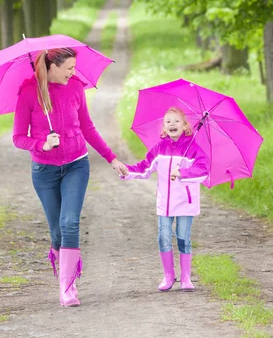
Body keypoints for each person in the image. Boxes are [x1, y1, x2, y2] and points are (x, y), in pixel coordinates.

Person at [12, 47, 127, 307]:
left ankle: (68, 288)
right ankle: (60, 258)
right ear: (52, 67)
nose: (73, 73)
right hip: (45, 172)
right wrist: (41, 143)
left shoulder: (75, 88)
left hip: (76, 164)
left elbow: (87, 127)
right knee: (57, 232)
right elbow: (18, 138)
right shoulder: (29, 94)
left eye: (74, 68)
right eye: (69, 68)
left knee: (70, 222)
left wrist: (112, 158)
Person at [121, 106, 209, 291]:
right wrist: (127, 171)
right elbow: (144, 168)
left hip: (185, 203)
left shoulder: (192, 149)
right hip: (165, 203)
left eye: (176, 121)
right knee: (163, 237)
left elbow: (203, 171)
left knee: (183, 238)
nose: (172, 124)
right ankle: (169, 276)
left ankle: (186, 278)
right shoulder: (159, 149)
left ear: (185, 126)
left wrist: (183, 172)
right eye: (168, 121)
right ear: (163, 127)